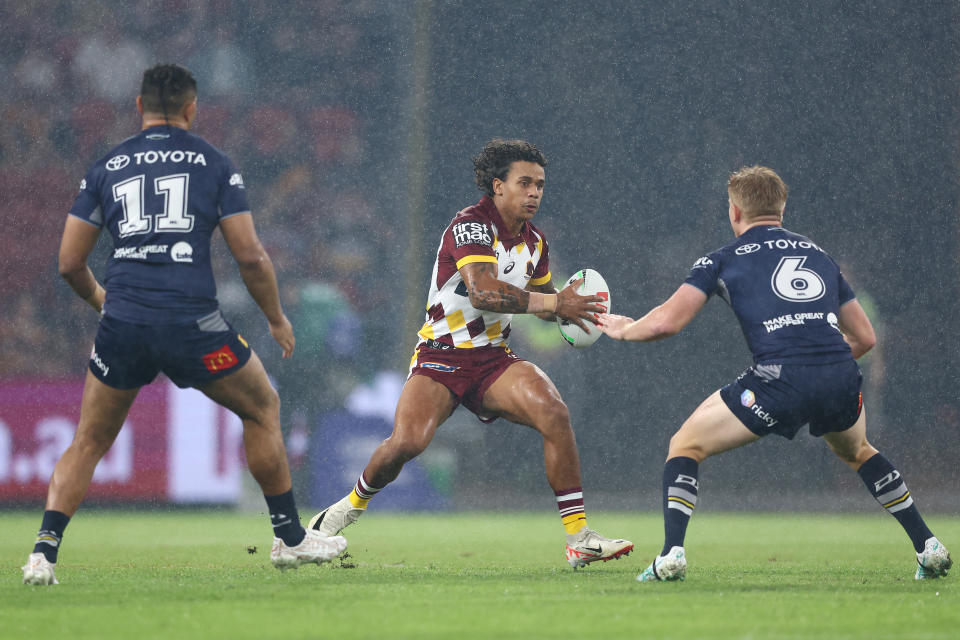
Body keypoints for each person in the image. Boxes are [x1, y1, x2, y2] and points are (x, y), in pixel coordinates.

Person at [22, 64, 346, 586]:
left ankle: (43, 553)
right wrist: (276, 318)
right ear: (193, 109)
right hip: (191, 324)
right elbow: (252, 256)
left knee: (88, 440)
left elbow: (67, 262)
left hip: (124, 323)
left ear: (139, 107)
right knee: (262, 406)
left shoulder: (107, 165)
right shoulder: (213, 163)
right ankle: (289, 538)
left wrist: (104, 301)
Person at [599, 165, 951, 582]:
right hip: (840, 372)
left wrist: (622, 331)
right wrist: (825, 368)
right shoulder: (819, 255)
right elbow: (866, 337)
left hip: (779, 379)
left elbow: (665, 323)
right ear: (781, 209)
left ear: (734, 211)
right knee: (858, 452)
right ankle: (928, 546)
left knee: (685, 445)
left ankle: (671, 554)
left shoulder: (721, 259)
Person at [308, 139, 633, 568]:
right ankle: (343, 510)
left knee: (553, 412)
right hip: (441, 356)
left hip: (493, 360)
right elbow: (483, 292)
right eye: (524, 183)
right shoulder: (471, 226)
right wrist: (558, 304)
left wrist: (595, 318)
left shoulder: (536, 242)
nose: (534, 192)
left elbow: (545, 302)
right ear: (498, 186)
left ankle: (579, 538)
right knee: (408, 442)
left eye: (540, 184)